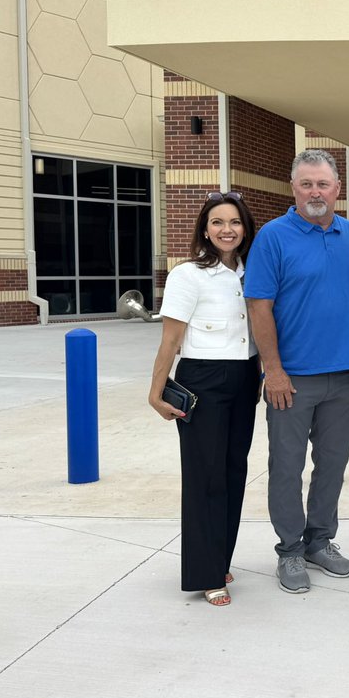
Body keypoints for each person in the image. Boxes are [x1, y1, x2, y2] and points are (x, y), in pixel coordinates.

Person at [245, 149, 349, 594]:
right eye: (307, 184)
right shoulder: (273, 237)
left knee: (332, 466)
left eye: (324, 184)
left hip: (345, 378)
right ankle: (290, 548)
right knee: (287, 467)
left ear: (337, 190)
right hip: (291, 379)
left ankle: (320, 540)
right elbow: (258, 306)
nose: (316, 192)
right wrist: (271, 370)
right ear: (293, 188)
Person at [148, 191, 260, 607]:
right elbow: (171, 339)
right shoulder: (188, 275)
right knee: (204, 477)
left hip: (245, 377)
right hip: (203, 380)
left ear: (245, 228)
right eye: (217, 222)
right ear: (205, 228)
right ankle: (204, 572)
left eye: (234, 222)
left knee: (233, 472)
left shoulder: (251, 272)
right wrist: (156, 389)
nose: (226, 230)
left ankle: (220, 558)